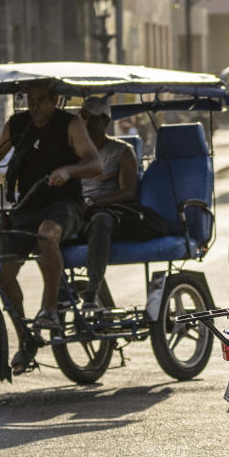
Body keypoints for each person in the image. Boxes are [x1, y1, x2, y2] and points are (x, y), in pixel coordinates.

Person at [0, 81, 101, 373]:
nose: (35, 106)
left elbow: (95, 163)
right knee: (3, 273)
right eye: (29, 100)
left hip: (64, 205)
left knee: (47, 232)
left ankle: (50, 310)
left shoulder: (70, 124)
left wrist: (68, 170)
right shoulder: (18, 123)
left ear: (55, 99)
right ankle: (26, 339)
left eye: (41, 100)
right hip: (26, 206)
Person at [78, 97, 140, 310]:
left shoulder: (122, 151)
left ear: (105, 121)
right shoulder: (73, 153)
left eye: (91, 119)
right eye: (82, 118)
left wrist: (94, 201)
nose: (85, 124)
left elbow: (129, 192)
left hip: (113, 214)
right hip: (80, 213)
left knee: (100, 220)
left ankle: (91, 293)